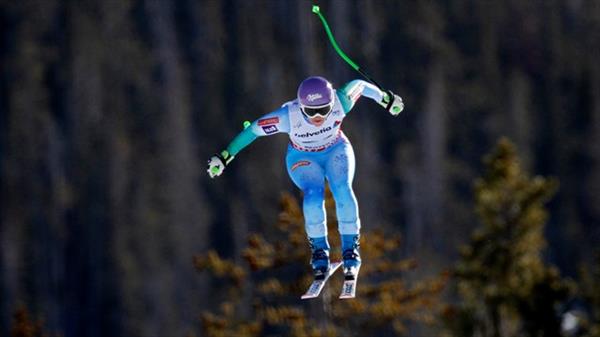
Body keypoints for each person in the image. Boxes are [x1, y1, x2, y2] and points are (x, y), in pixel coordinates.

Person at [207, 76, 403, 279]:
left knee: (342, 189)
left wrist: (386, 99)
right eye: (310, 111)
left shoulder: (341, 101)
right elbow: (253, 130)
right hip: (303, 157)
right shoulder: (287, 117)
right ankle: (319, 252)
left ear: (331, 103)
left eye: (324, 109)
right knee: (312, 197)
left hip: (336, 149)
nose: (318, 116)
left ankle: (350, 249)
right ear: (301, 107)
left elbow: (360, 86)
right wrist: (225, 157)